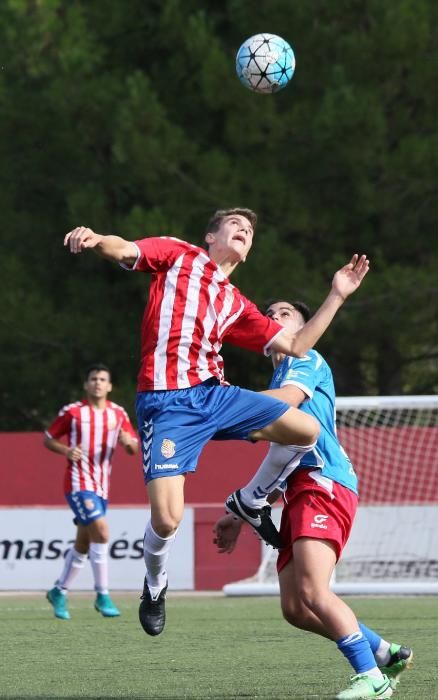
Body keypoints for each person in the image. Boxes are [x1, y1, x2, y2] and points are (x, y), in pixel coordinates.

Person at [63, 208, 369, 637]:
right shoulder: (178, 255)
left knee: (306, 431)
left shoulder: (236, 304)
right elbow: (125, 249)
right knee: (168, 519)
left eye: (250, 231)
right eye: (235, 226)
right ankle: (155, 583)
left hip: (213, 395)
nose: (245, 231)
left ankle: (253, 500)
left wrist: (337, 294)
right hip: (167, 404)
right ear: (210, 236)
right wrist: (97, 239)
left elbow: (298, 343)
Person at [214, 300, 413, 700]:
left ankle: (371, 677)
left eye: (285, 313)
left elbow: (284, 400)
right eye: (269, 312)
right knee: (295, 608)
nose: (275, 316)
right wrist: (239, 510)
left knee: (313, 590)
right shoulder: (283, 372)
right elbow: (282, 458)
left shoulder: (305, 357)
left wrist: (218, 408)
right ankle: (383, 652)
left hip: (325, 482)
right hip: (300, 489)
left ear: (303, 328)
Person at [44, 363, 138, 620]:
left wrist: (129, 443)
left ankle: (59, 591)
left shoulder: (118, 414)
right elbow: (48, 438)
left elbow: (132, 447)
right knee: (103, 530)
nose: (97, 382)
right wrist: (66, 450)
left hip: (101, 486)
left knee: (84, 543)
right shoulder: (73, 412)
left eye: (102, 379)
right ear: (86, 385)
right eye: (93, 378)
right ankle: (103, 594)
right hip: (78, 482)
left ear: (109, 386)